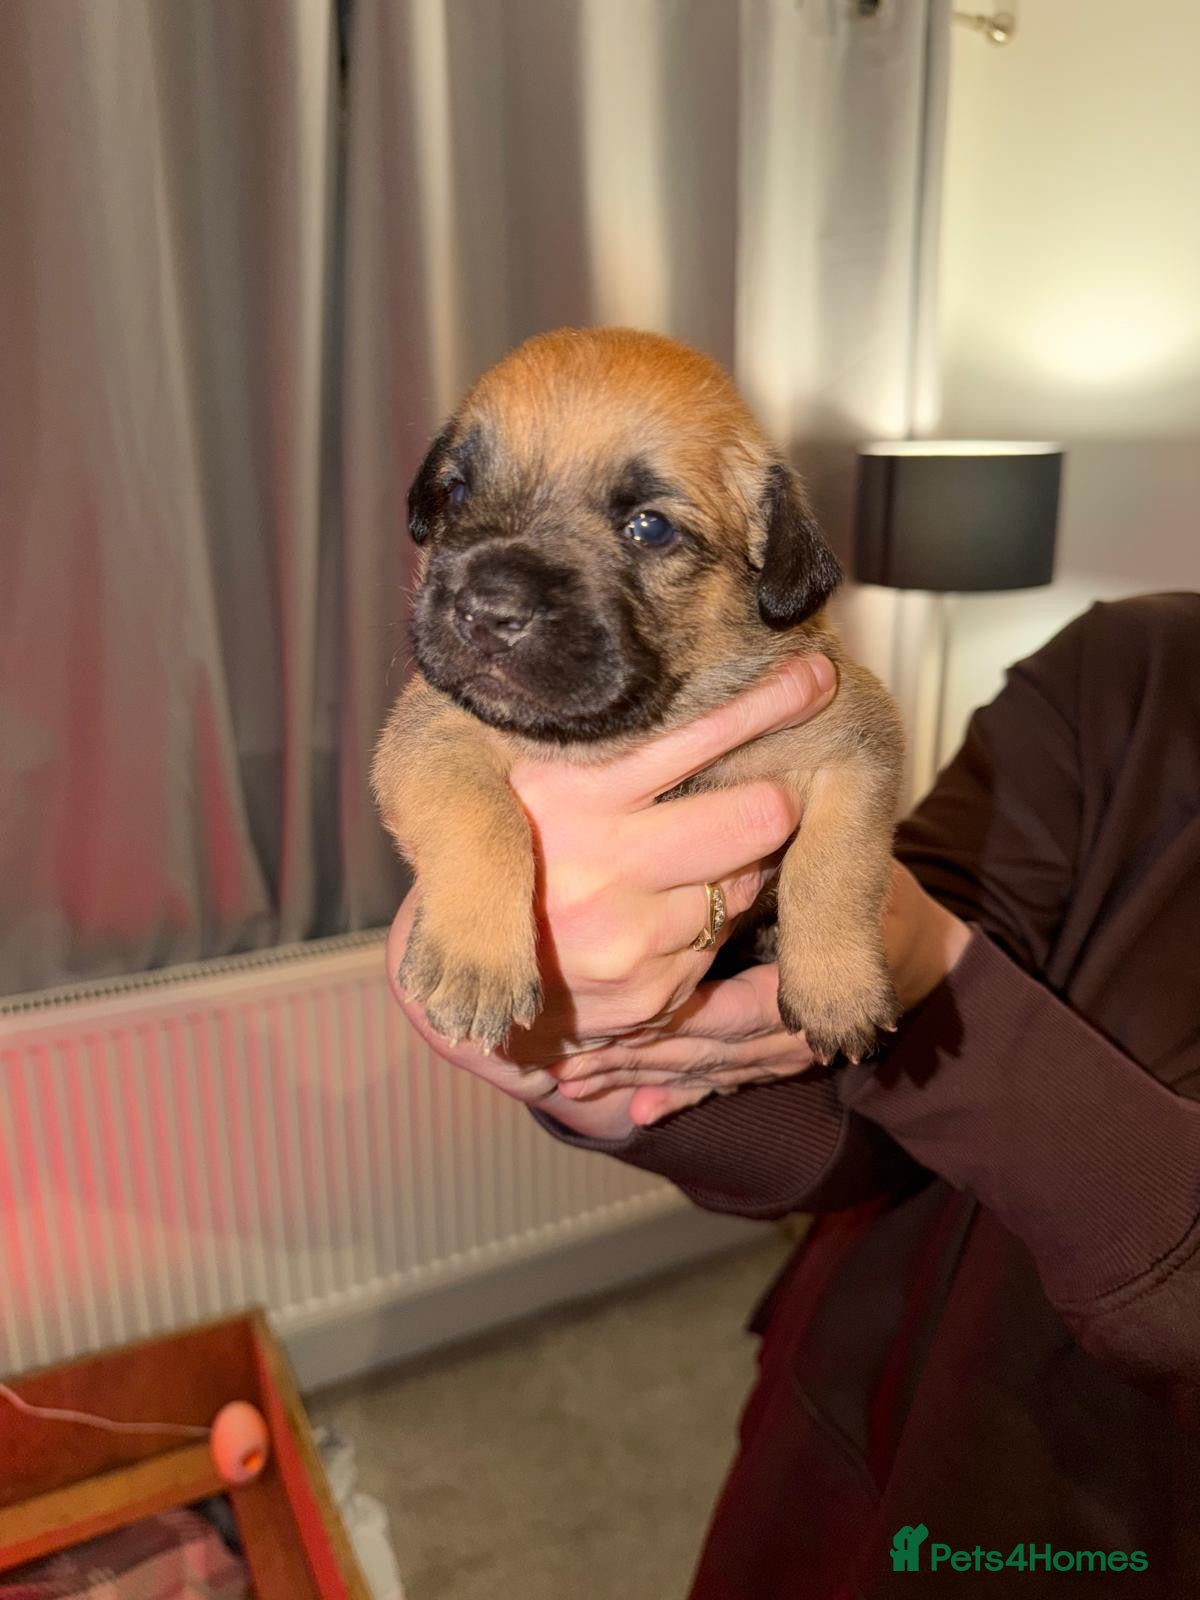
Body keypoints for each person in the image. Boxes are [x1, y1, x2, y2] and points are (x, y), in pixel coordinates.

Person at [388, 594, 1200, 1596]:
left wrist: (927, 964)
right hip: (850, 1408)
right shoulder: (1139, 662)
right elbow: (850, 1102)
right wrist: (618, 1063)